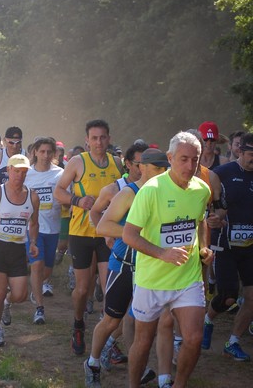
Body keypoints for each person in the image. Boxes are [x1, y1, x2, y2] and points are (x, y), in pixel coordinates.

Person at [123, 131, 213, 388]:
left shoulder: (201, 189)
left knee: (194, 338)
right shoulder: (151, 190)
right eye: (183, 159)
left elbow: (200, 221)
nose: (189, 166)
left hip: (187, 276)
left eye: (194, 160)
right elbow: (129, 235)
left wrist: (204, 248)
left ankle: (179, 385)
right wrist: (163, 253)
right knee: (143, 341)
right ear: (171, 157)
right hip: (151, 279)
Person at [84, 148, 170, 388]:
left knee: (158, 322)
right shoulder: (128, 193)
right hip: (125, 265)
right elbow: (103, 226)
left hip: (152, 268)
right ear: (141, 167)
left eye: (165, 169)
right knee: (112, 320)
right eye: (157, 169)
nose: (162, 173)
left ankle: (154, 375)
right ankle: (92, 363)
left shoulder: (165, 193)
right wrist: (133, 235)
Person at [53, 119, 123, 356]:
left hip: (107, 235)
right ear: (87, 140)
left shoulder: (117, 164)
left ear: (109, 139)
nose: (99, 142)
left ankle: (109, 342)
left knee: (108, 289)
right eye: (94, 138)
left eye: (103, 137)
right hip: (81, 233)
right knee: (83, 289)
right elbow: (58, 191)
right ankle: (78, 324)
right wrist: (77, 201)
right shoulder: (77, 162)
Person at [0, 154, 39, 346]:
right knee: (0, 290)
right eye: (16, 171)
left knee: (20, 294)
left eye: (23, 172)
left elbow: (34, 224)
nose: (19, 175)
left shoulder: (33, 197)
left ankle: (6, 304)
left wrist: (34, 242)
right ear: (8, 171)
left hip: (18, 249)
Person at [202, 132, 253, 361]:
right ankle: (207, 319)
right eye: (251, 154)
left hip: (250, 245)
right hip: (225, 242)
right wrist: (212, 216)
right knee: (228, 296)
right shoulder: (223, 172)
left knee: (252, 296)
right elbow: (205, 199)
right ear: (240, 151)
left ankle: (232, 342)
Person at [23, 137, 63, 324]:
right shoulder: (27, 174)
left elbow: (67, 196)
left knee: (46, 270)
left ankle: (34, 287)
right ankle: (39, 308)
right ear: (35, 153)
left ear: (54, 154)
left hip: (53, 228)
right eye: (42, 151)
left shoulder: (60, 174)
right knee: (37, 266)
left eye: (49, 152)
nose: (46, 155)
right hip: (33, 228)